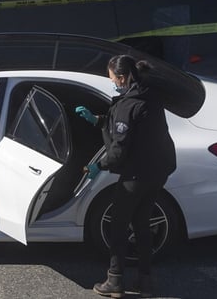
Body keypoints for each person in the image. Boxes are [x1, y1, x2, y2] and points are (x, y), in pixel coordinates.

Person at [75, 54, 177, 298]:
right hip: (157, 172)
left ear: (122, 77)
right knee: (142, 226)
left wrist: (98, 165)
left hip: (135, 176)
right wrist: (98, 120)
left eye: (112, 79)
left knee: (118, 227)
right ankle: (146, 281)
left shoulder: (128, 105)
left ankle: (115, 281)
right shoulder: (149, 94)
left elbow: (120, 148)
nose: (112, 83)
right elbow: (130, 127)